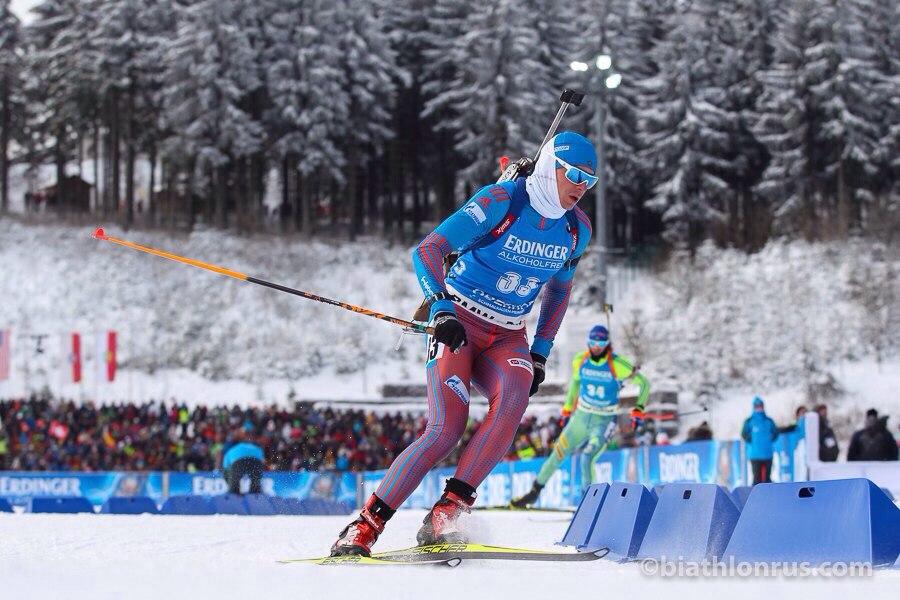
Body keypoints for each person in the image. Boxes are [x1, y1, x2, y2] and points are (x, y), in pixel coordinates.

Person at [330, 131, 597, 556]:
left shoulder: (575, 229)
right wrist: (441, 308)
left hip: (507, 335)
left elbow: (559, 292)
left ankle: (446, 513)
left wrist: (541, 352)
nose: (581, 186)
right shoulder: (502, 201)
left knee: (513, 401)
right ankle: (364, 525)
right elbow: (429, 250)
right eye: (575, 174)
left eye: (590, 180)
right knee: (445, 429)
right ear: (551, 167)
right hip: (459, 322)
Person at [510, 325, 649, 508]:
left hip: (602, 422)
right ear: (588, 343)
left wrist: (638, 409)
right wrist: (567, 409)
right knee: (557, 454)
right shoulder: (580, 360)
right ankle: (533, 493)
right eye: (593, 342)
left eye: (601, 343)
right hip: (580, 419)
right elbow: (575, 384)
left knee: (586, 456)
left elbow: (644, 384)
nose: (596, 347)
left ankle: (588, 504)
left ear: (607, 343)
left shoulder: (618, 364)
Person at [741, 396, 779, 485]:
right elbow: (743, 434)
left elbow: (775, 433)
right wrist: (752, 441)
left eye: (760, 406)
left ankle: (769, 497)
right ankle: (755, 497)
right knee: (756, 479)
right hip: (755, 455)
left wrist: (768, 441)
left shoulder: (769, 421)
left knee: (767, 480)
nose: (759, 408)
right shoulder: (749, 421)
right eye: (757, 406)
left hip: (767, 454)